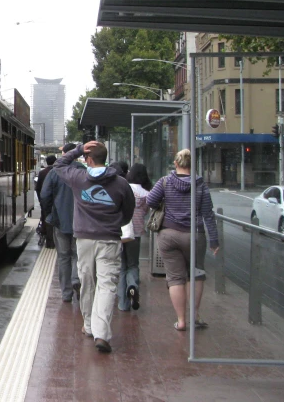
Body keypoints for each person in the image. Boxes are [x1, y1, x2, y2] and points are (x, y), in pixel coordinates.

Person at [53, 141, 135, 353]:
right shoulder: (121, 183)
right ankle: (102, 333)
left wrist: (78, 149)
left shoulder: (79, 178)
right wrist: (115, 222)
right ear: (105, 159)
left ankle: (89, 325)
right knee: (107, 285)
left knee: (87, 281)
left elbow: (59, 165)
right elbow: (128, 212)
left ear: (89, 160)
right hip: (109, 240)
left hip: (84, 240)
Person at [146, 149, 219, 331]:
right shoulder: (200, 185)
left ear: (176, 163)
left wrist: (164, 204)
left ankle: (181, 321)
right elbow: (208, 214)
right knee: (196, 273)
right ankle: (194, 316)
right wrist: (214, 240)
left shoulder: (165, 181)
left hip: (169, 234)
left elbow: (150, 201)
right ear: (192, 165)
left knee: (175, 277)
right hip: (195, 234)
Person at [40, 144, 82, 303]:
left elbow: (45, 195)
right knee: (78, 255)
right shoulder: (83, 170)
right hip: (82, 222)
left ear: (64, 154)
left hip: (60, 220)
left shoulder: (55, 172)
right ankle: (76, 279)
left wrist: (49, 213)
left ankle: (66, 293)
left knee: (63, 257)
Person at [118, 163, 152, 312]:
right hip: (136, 233)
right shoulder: (146, 194)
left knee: (122, 267)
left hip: (120, 232)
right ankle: (133, 285)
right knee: (133, 264)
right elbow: (145, 212)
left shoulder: (122, 188)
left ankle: (122, 304)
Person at [35, 155, 57, 248]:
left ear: (46, 162)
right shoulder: (58, 172)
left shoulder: (42, 172)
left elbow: (38, 188)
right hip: (56, 201)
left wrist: (41, 201)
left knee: (46, 218)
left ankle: (49, 242)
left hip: (45, 201)